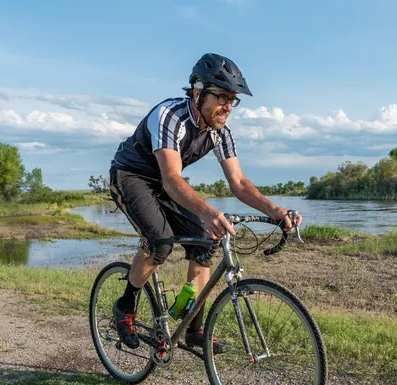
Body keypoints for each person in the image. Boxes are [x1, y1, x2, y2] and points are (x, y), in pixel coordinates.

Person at [108, 53, 301, 354]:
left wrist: (274, 210)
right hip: (131, 176)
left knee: (203, 243)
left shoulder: (220, 132)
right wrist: (209, 212)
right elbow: (172, 179)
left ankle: (194, 330)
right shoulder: (170, 116)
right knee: (159, 244)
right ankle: (126, 305)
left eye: (232, 100)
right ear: (198, 92)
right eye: (221, 97)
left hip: (164, 183)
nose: (227, 106)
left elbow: (238, 183)